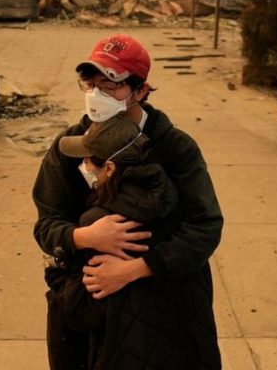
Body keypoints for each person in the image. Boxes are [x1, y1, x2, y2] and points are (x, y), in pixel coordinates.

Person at [33, 33, 224, 369]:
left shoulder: (175, 148)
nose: (96, 95)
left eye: (110, 85)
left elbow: (204, 227)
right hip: (89, 306)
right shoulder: (68, 147)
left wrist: (134, 270)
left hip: (167, 307)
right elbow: (47, 222)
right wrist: (85, 237)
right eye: (90, 84)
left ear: (140, 91)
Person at [46, 115, 178, 339]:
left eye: (87, 160)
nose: (83, 166)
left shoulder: (100, 223)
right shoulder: (171, 199)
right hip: (169, 333)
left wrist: (55, 274)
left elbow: (80, 310)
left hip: (123, 344)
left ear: (109, 168)